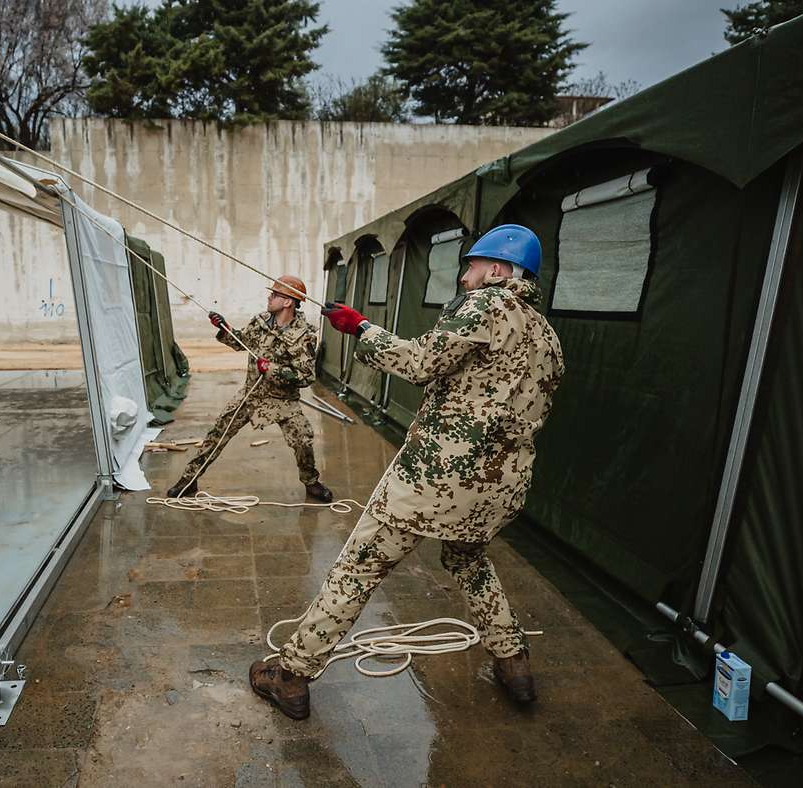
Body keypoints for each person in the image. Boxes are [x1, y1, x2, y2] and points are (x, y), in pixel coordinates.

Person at [249, 225, 564, 720]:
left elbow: (422, 363)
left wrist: (360, 329)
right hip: (498, 488)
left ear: (498, 271)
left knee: (358, 569)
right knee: (468, 562)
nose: (464, 279)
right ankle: (514, 663)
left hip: (434, 482)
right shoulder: (546, 334)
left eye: (472, 268)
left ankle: (290, 675)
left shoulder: (487, 305)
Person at [166, 274, 334, 503]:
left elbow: (306, 376)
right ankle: (189, 479)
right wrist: (224, 327)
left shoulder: (305, 334)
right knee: (218, 432)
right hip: (251, 394)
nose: (269, 297)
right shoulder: (261, 321)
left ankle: (311, 483)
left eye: (275, 294)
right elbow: (240, 342)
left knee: (302, 440)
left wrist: (272, 369)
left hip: (282, 399)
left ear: (288, 302)